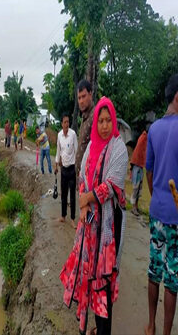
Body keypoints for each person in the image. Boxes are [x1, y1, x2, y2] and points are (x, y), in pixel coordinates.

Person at [60, 97, 128, 335]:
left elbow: (112, 185)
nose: (105, 126)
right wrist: (83, 205)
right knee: (90, 278)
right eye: (101, 121)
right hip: (90, 226)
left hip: (108, 230)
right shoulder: (90, 147)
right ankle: (96, 328)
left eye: (109, 120)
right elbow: (82, 178)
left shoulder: (119, 148)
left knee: (104, 282)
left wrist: (87, 198)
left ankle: (103, 330)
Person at [145, 73, 178, 335]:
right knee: (173, 279)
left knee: (154, 270)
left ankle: (150, 325)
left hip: (156, 211)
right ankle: (166, 333)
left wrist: (155, 194)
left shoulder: (154, 129)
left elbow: (149, 170)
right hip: (176, 216)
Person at [54, 114, 79, 228]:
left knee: (72, 196)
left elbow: (77, 151)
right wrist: (56, 165)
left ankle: (73, 219)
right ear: (61, 124)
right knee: (63, 194)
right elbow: (58, 151)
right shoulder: (59, 135)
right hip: (63, 169)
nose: (67, 124)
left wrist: (78, 168)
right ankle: (63, 216)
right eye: (65, 122)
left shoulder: (73, 134)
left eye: (68, 122)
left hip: (72, 169)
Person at [76, 80, 96, 176]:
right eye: (79, 98)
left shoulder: (96, 116)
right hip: (81, 178)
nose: (81, 101)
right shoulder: (85, 117)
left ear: (90, 94)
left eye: (84, 96)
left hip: (90, 178)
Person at [129, 128, 148, 216]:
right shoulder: (143, 138)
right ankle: (133, 207)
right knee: (135, 187)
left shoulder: (145, 138)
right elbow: (139, 153)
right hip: (137, 165)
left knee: (139, 187)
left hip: (139, 166)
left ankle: (136, 206)